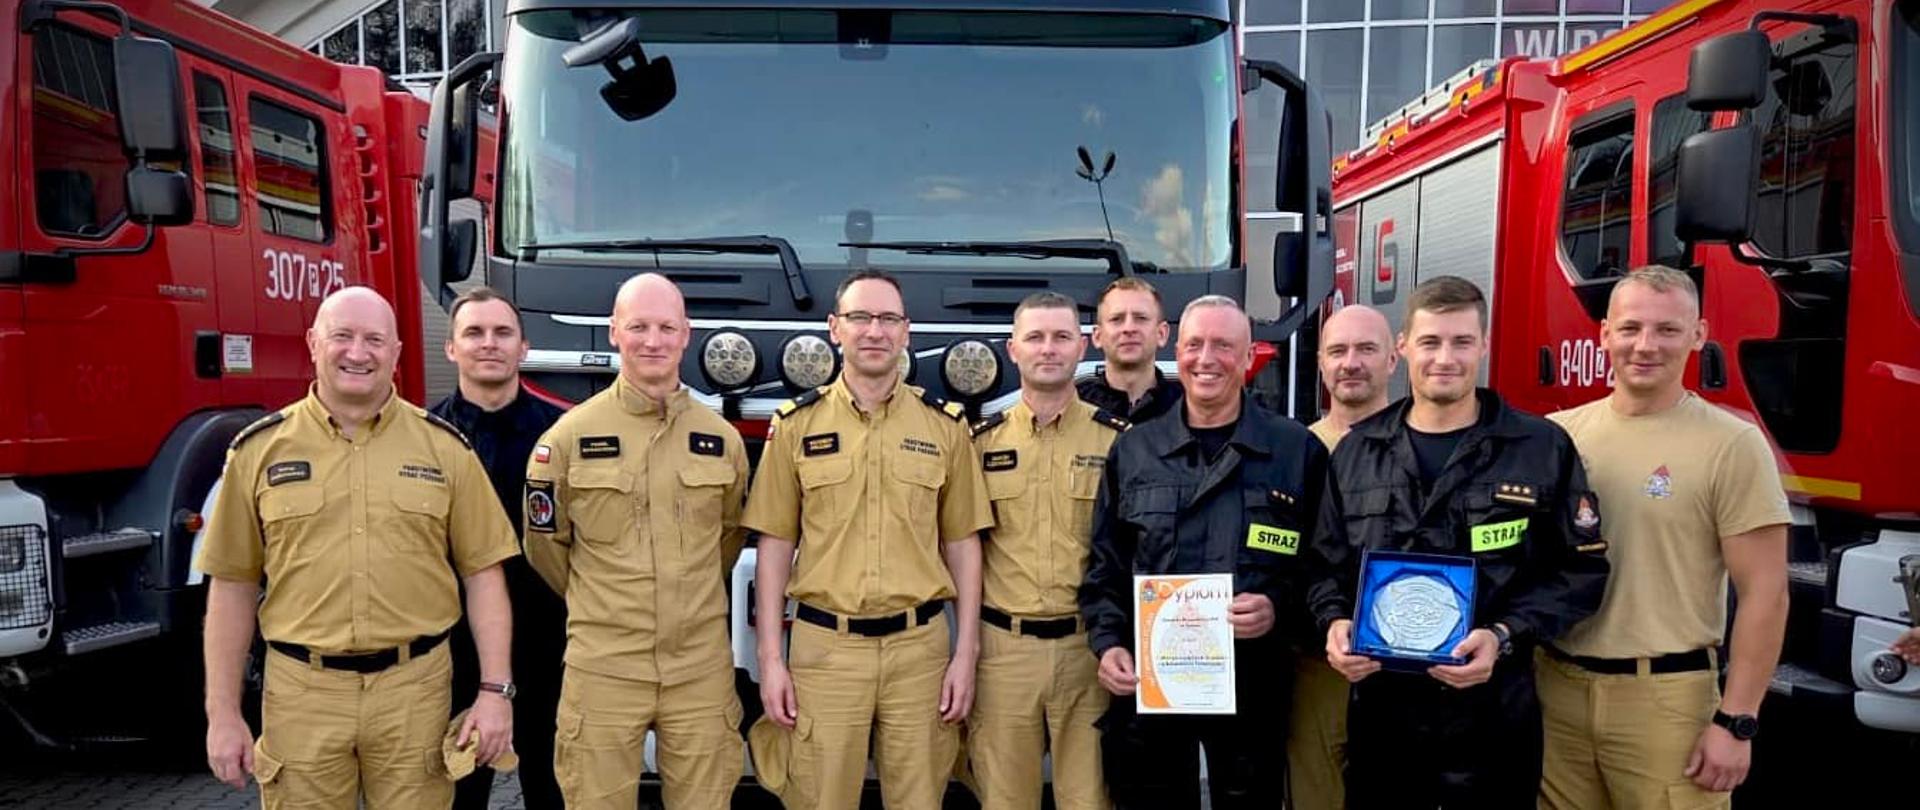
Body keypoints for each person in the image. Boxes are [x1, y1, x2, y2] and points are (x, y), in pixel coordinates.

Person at [198, 287, 518, 808]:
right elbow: (232, 586)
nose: (357, 352)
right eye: (342, 336)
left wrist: (494, 691)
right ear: (312, 343)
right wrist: (223, 713)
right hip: (302, 697)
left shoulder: (445, 449)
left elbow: (484, 575)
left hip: (414, 695)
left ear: (396, 352)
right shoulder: (259, 452)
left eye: (374, 340)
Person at [1308, 275, 1610, 809]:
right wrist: (1333, 621)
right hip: (1384, 719)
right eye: (1430, 342)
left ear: (1484, 345)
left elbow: (1579, 572)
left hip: (1494, 716)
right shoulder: (1357, 453)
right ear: (1404, 347)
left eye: (1462, 342)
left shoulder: (1539, 448)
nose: (1445, 358)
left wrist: (1503, 634)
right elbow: (1323, 566)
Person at [1539, 266, 1791, 808]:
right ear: (1604, 334)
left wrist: (1737, 720)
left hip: (1665, 703)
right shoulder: (1556, 437)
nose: (1646, 345)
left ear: (1698, 335)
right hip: (1555, 692)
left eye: (1668, 330)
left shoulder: (1732, 445)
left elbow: (1766, 593)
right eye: (1630, 328)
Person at [745, 269, 993, 810]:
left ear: (906, 331)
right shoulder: (796, 425)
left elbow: (962, 545)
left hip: (919, 653)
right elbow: (774, 545)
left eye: (887, 319)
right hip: (826, 652)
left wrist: (965, 654)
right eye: (860, 317)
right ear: (835, 328)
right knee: (820, 799)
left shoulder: (945, 427)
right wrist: (771, 660)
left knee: (920, 799)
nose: (874, 331)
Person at [1080, 295, 1327, 809]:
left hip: (1254, 681)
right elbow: (1106, 565)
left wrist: (1278, 607)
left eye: (1223, 346)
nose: (1206, 358)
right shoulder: (1135, 450)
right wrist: (1108, 644)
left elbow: (1325, 566)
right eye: (1194, 345)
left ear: (1249, 357)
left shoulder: (1294, 450)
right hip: (1153, 685)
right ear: (1178, 352)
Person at [524, 273, 749, 808]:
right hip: (604, 667)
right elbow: (546, 548)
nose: (653, 341)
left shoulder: (721, 441)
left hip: (699, 668)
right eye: (638, 327)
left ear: (686, 335)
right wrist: (605, 606)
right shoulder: (567, 440)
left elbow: (727, 539)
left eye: (667, 328)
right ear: (614, 332)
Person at [965, 292, 1128, 810]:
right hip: (1003, 653)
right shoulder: (979, 444)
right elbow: (963, 549)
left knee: (1090, 800)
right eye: (1035, 337)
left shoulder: (1118, 443)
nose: (1048, 349)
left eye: (1061, 337)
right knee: (1005, 799)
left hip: (1088, 652)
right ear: (1013, 349)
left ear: (1083, 346)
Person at [430, 287, 567, 810]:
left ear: (523, 347)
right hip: (453, 650)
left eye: (503, 332)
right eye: (474, 333)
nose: (489, 343)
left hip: (549, 643)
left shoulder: (563, 435)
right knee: (458, 795)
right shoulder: (425, 438)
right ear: (451, 348)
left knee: (552, 790)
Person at [1290, 304, 1395, 810]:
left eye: (1366, 349)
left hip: (1400, 670)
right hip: (1312, 665)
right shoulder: (1292, 451)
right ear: (1321, 362)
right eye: (1337, 351)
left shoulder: (1422, 444)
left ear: (1393, 358)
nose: (1350, 363)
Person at [1077, 278, 1183, 424]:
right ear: (1097, 336)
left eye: (1141, 318)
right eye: (1116, 319)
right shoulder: (1071, 407)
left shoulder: (1189, 408)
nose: (1129, 328)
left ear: (1162, 334)